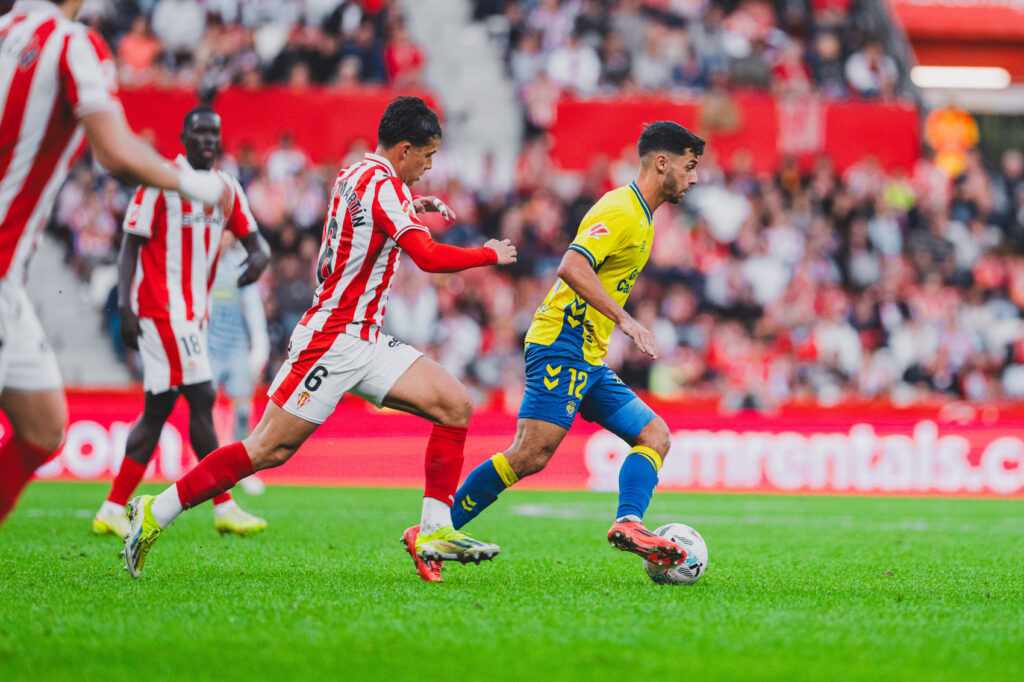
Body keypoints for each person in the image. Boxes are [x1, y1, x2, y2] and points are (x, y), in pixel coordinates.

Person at [120, 97, 518, 580]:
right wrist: (489, 255)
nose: (430, 166)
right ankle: (154, 511)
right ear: (405, 149)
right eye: (428, 156)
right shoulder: (383, 188)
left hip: (365, 338)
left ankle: (433, 529)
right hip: (330, 340)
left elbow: (366, 223)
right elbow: (429, 258)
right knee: (267, 449)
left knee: (455, 403)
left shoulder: (355, 175)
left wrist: (411, 205)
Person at [0, 0, 232, 526]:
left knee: (42, 427)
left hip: (11, 278)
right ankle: (213, 502)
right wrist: (192, 182)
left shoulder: (7, 31)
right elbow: (115, 152)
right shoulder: (72, 45)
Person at [445, 122, 704, 579]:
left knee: (655, 436)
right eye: (690, 166)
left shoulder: (642, 216)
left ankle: (629, 522)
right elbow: (571, 265)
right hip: (561, 343)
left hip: (587, 354)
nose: (694, 177)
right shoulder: (622, 208)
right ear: (662, 163)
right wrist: (625, 321)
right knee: (529, 455)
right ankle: (435, 529)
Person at [92, 106, 271, 538]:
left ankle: (112, 507)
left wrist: (259, 258)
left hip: (194, 314)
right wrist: (129, 309)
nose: (208, 140)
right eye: (200, 133)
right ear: (184, 138)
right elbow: (129, 246)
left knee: (157, 411)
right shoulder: (159, 182)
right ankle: (224, 505)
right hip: (160, 310)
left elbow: (255, 240)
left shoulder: (226, 188)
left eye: (214, 134)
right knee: (203, 397)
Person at [208, 235, 271, 496]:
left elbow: (253, 307)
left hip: (235, 347)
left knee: (244, 411)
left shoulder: (239, 265)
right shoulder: (203, 265)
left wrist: (259, 344)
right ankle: (206, 466)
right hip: (207, 347)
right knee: (202, 411)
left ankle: (242, 470)